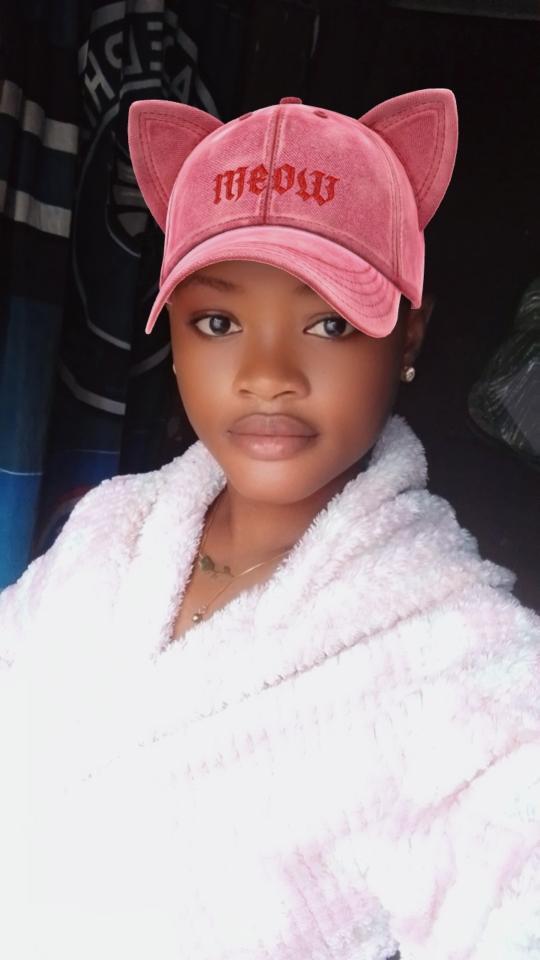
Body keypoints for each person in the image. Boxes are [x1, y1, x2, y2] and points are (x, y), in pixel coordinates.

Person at [1, 89, 539, 960]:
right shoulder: (108, 533)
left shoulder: (458, 653)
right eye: (218, 321)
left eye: (328, 321)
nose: (266, 373)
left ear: (408, 336)